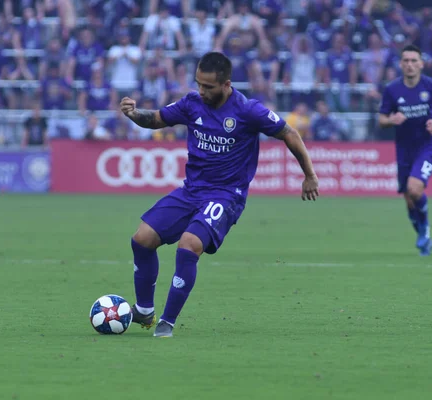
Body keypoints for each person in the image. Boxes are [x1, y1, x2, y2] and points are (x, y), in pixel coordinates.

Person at [119, 52, 319, 338]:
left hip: (226, 196)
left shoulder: (249, 111)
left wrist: (309, 176)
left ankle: (167, 323)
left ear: (226, 84)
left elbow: (290, 133)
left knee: (189, 244)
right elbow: (156, 119)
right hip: (192, 190)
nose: (201, 91)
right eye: (198, 84)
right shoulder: (191, 103)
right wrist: (134, 114)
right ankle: (144, 311)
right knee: (142, 238)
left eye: (208, 87)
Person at [378, 44, 432, 256]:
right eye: (406, 61)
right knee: (409, 198)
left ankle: (425, 228)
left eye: (414, 61)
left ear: (421, 64)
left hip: (427, 146)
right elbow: (381, 119)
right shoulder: (392, 90)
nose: (410, 65)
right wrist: (391, 119)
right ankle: (423, 235)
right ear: (401, 64)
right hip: (404, 149)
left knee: (414, 188)